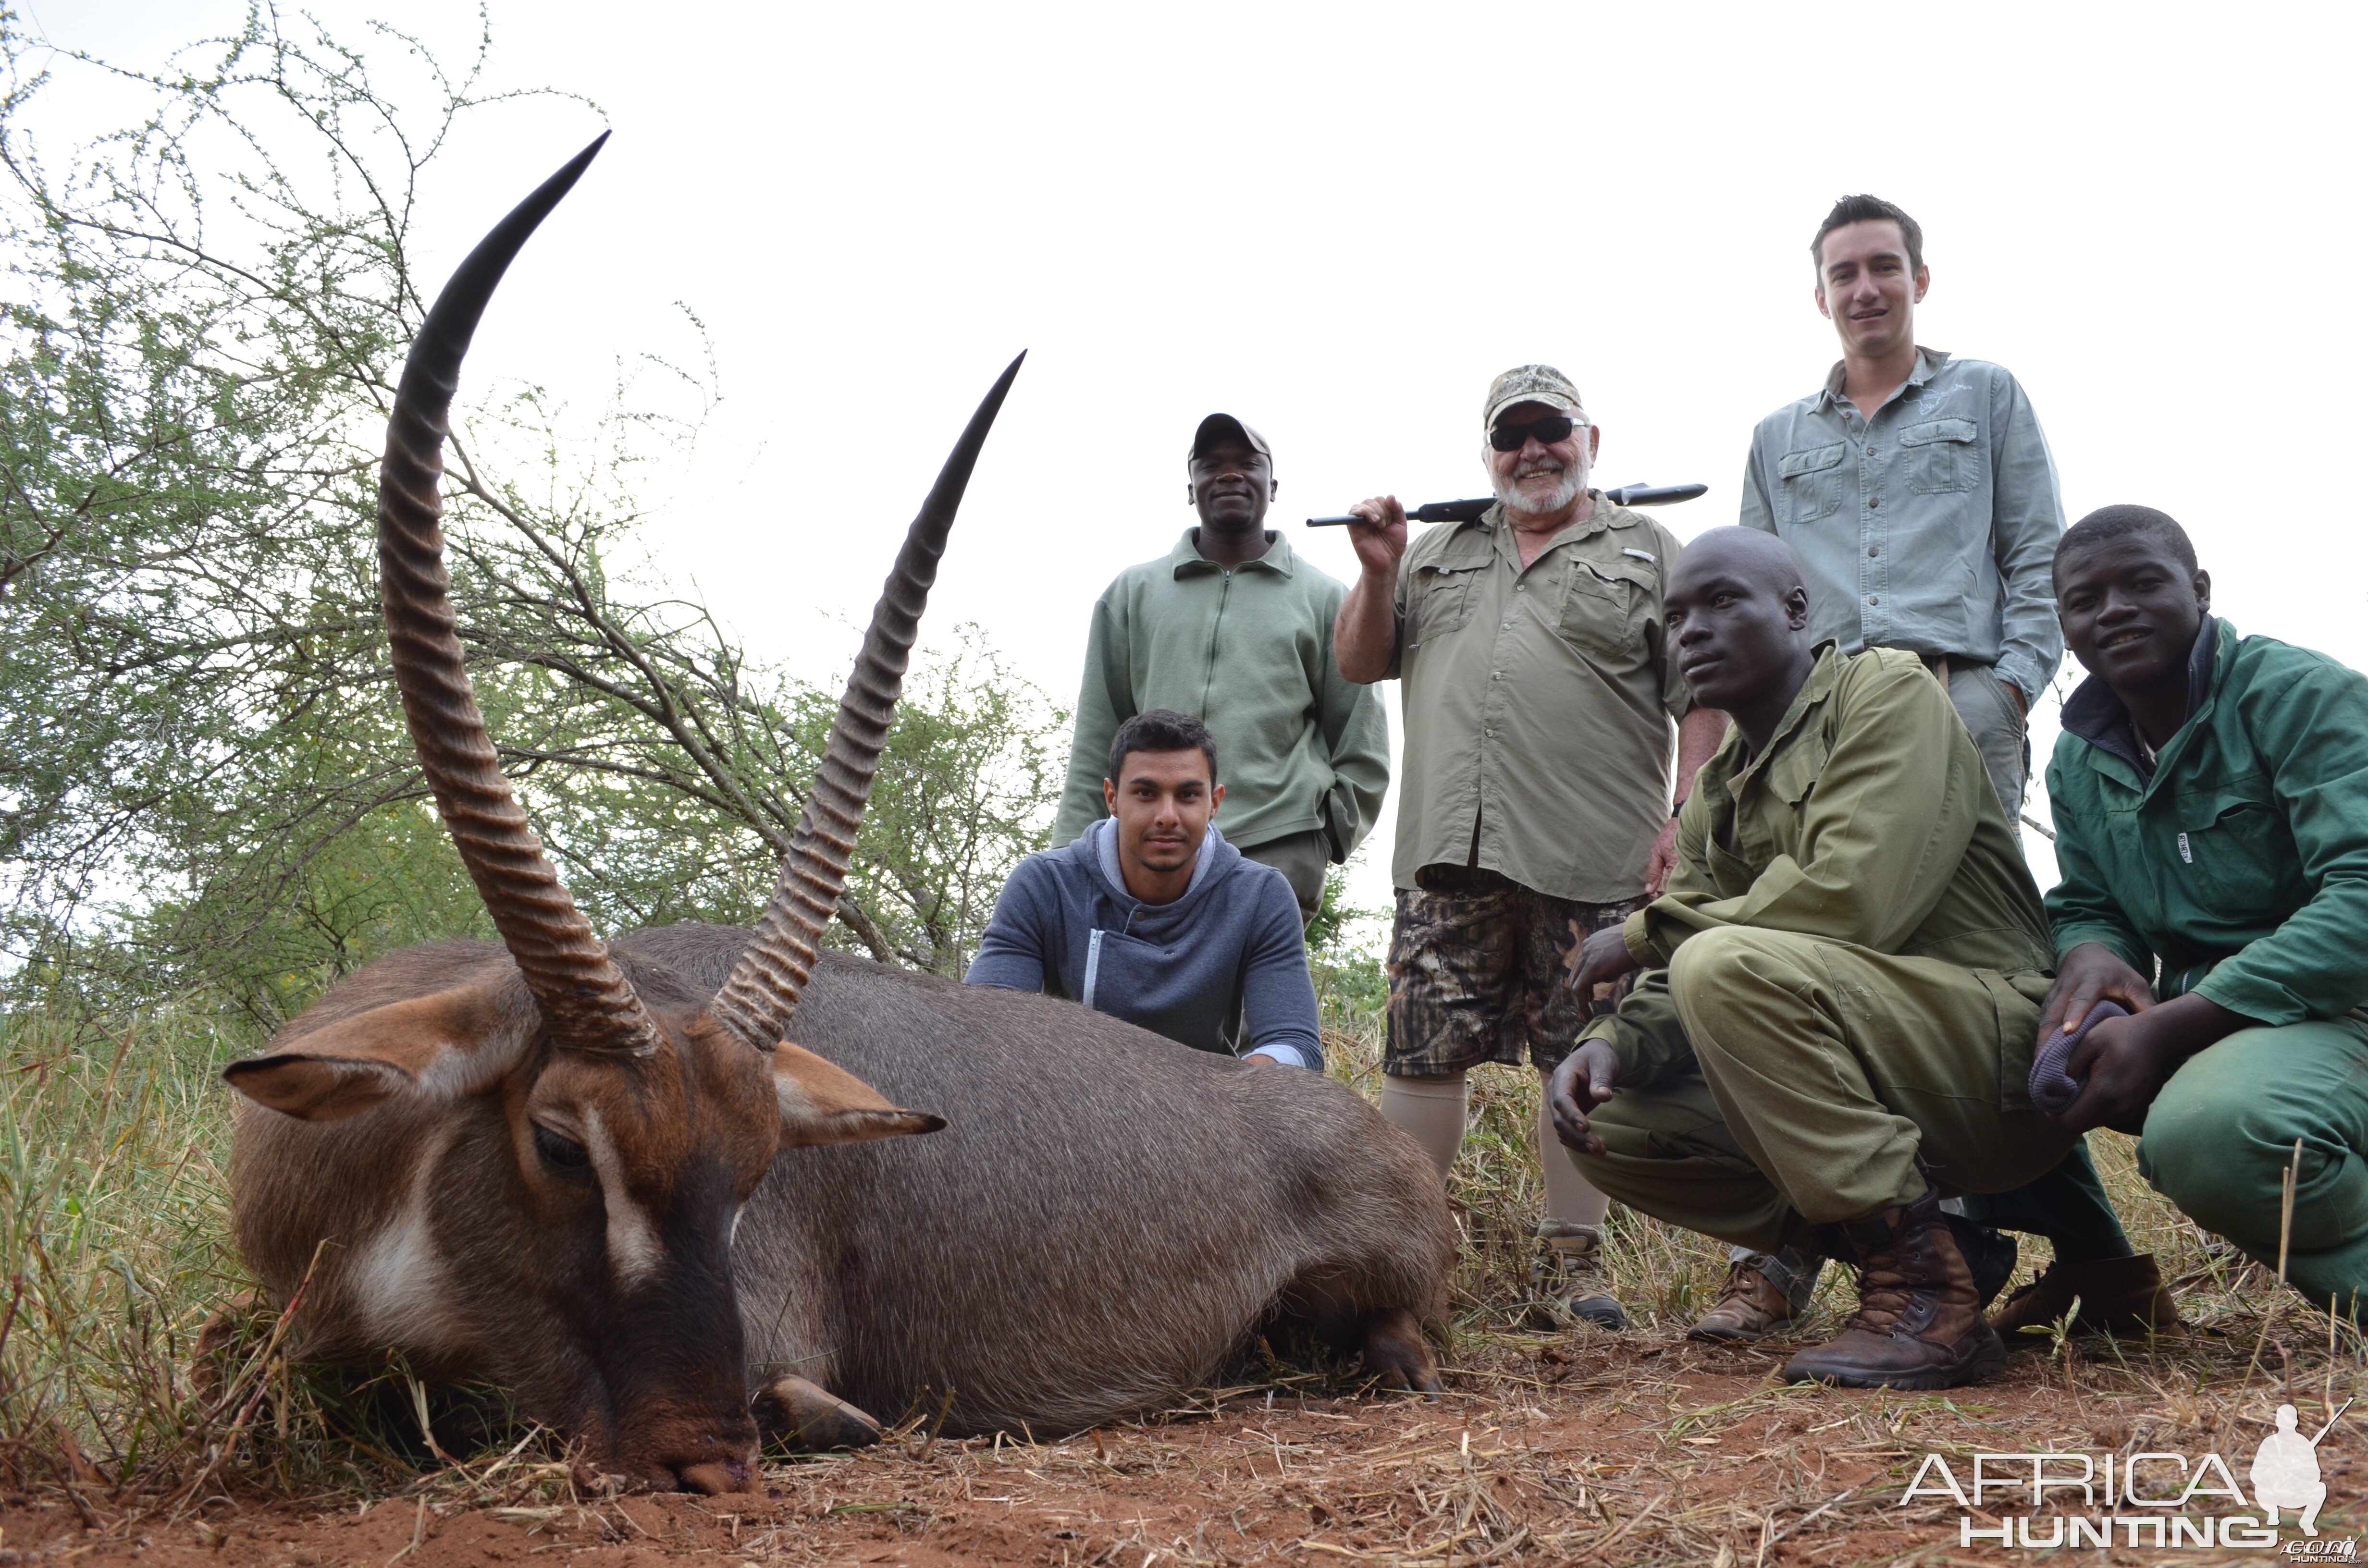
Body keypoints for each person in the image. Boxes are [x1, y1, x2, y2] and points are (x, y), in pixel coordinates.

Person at [1707, 192, 2147, 1346]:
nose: (1865, 289)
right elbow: (1750, 582)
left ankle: (1984, 1254)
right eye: (1843, 273)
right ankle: (1846, 1246)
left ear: (1919, 279)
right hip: (1822, 726)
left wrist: (2001, 690)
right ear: (1818, 295)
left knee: (1955, 973)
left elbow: (2038, 551)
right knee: (1825, 966)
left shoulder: (1984, 395)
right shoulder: (1776, 436)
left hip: (1954, 703)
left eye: (1882, 268)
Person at [1548, 527, 2075, 1389]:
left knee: (1720, 962)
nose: (1691, 632)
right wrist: (1612, 1041)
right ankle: (1922, 1243)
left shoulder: (1883, 691)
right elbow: (1698, 966)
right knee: (1611, 1123)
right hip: (1860, 1059)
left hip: (1995, 1058)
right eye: (1676, 615)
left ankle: (1924, 1301)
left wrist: (1646, 932)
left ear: (1795, 611)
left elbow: (1852, 896)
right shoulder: (1718, 788)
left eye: (1722, 602)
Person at [1334, 365, 1728, 1329]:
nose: (1531, 450)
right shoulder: (1431, 554)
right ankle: (1395, 1264)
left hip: (1593, 856)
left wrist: (1684, 814)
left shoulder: (1646, 550)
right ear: (1487, 453)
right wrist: (1377, 567)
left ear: (1591, 439)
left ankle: (1570, 1270)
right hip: (1447, 856)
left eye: (1550, 429)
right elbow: (1356, 659)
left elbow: (1702, 697)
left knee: (1579, 1054)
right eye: (1511, 435)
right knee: (1423, 1056)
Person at [2040, 506, 2368, 1319]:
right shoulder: (2077, 755)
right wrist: (2088, 951)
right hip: (2213, 1021)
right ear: (2064, 625)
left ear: (2198, 589)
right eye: (2085, 599)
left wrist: (2169, 1025)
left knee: (2212, 1133)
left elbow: (2360, 889)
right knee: (1988, 1039)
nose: (2112, 608)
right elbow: (2087, 899)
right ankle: (2085, 1271)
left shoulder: (2295, 694)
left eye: (2141, 582)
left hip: (2340, 1007)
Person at [1053, 414, 1388, 923]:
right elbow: (1098, 735)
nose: (1229, 475)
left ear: (1271, 485)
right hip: (1147, 850)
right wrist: (1068, 857)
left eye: (1247, 464)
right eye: (1210, 465)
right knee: (1126, 1001)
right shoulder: (1132, 593)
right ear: (1191, 488)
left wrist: (1320, 836)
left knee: (1260, 1004)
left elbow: (1361, 743)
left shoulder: (1325, 599)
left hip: (1275, 852)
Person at [968, 709, 1323, 1071]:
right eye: (1145, 793)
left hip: (1207, 1108)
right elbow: (986, 1027)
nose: (1167, 815)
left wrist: (1223, 1098)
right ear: (1112, 798)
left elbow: (1295, 1045)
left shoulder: (1261, 896)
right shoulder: (1043, 884)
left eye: (1187, 795)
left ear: (1214, 803)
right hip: (1068, 1100)